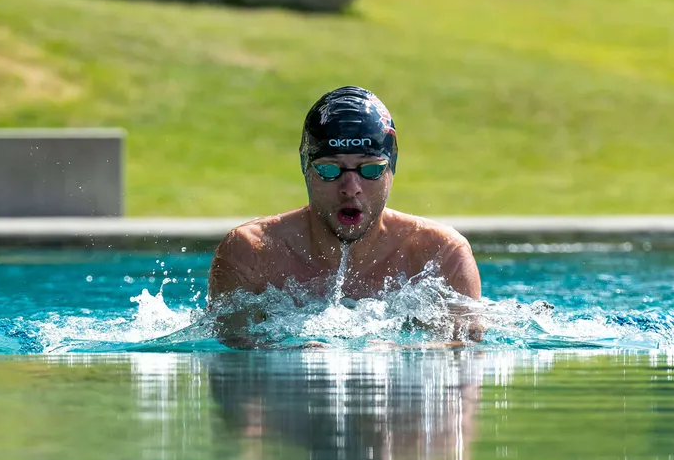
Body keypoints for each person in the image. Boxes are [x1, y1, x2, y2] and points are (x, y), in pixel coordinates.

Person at [206, 85, 482, 346]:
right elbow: (229, 362)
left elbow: (467, 357)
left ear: (391, 168)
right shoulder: (253, 253)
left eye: (370, 169)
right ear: (306, 168)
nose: (351, 189)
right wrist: (288, 355)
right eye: (329, 169)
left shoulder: (440, 254)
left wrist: (394, 353)